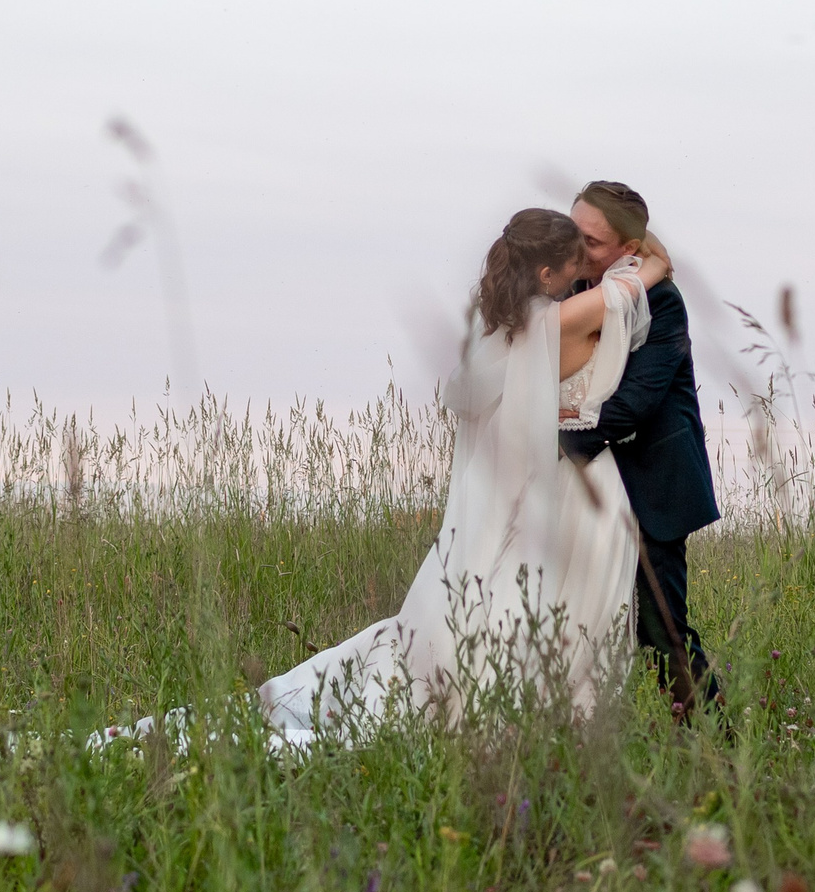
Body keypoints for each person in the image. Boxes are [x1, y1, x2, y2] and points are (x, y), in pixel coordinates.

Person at [246, 208, 671, 750]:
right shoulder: (551, 321)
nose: (583, 265)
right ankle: (533, 714)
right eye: (574, 258)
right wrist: (647, 257)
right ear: (547, 275)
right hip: (558, 486)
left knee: (491, 600)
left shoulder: (499, 320)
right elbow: (634, 283)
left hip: (498, 486)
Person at [559, 181, 724, 722]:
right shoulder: (562, 296)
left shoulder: (663, 302)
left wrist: (545, 441)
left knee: (661, 630)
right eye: (571, 230)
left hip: (652, 485)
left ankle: (715, 744)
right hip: (578, 493)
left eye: (591, 242)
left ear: (629, 250)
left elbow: (632, 406)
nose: (574, 248)